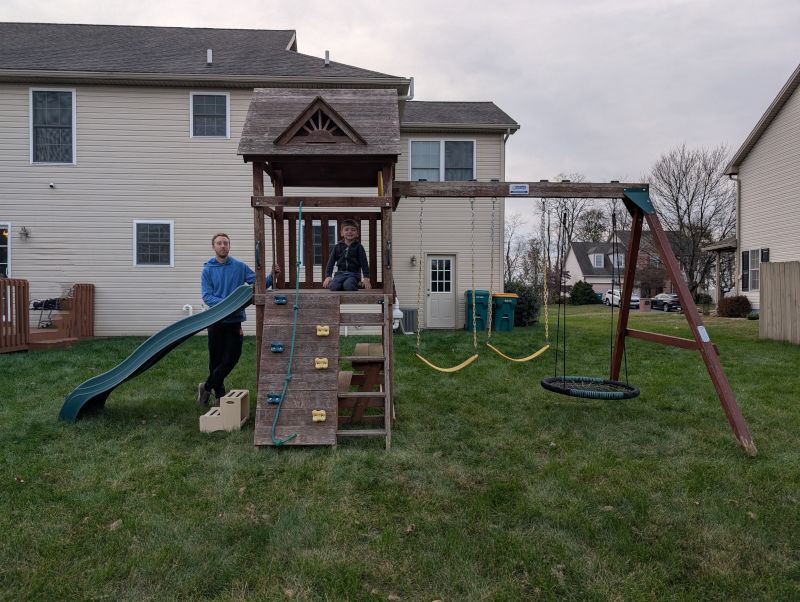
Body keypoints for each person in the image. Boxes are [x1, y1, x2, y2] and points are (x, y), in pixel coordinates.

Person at [198, 233, 276, 406]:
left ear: (229, 246)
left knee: (232, 358)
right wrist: (230, 304)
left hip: (235, 321)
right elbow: (207, 297)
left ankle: (207, 386)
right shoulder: (207, 270)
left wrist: (271, 276)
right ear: (214, 247)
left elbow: (258, 283)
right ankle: (220, 396)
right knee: (216, 360)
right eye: (219, 243)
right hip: (215, 320)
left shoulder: (239, 267)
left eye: (225, 243)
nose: (223, 246)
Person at [322, 219, 371, 291]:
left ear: (357, 233)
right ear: (342, 233)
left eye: (353, 230)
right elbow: (330, 263)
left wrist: (366, 278)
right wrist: (328, 276)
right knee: (333, 286)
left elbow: (364, 263)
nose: (350, 232)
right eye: (346, 229)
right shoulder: (337, 247)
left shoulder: (359, 247)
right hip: (340, 274)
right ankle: (344, 284)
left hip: (353, 275)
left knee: (349, 286)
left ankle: (355, 284)